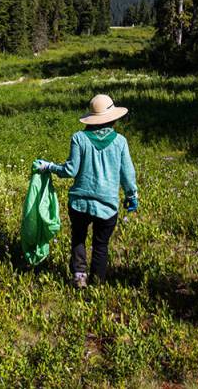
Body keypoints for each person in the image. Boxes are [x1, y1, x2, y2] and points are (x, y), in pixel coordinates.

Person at [38, 94, 138, 289]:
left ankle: (79, 276)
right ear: (113, 118)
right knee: (101, 245)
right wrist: (131, 195)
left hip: (79, 203)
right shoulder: (120, 141)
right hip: (107, 205)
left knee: (78, 238)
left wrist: (48, 166)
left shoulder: (79, 138)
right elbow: (127, 173)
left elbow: (70, 170)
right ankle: (97, 282)